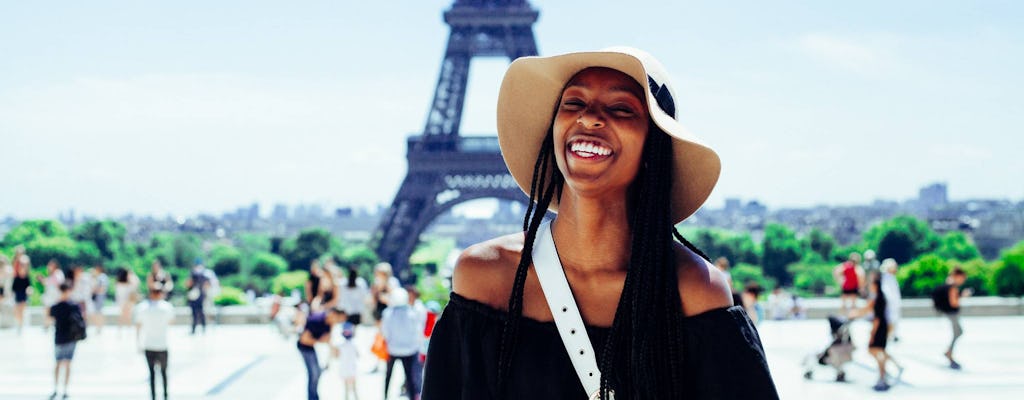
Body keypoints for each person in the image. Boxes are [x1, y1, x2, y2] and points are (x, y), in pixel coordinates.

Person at [421, 47, 778, 399]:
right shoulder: (484, 278)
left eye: (621, 108)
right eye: (573, 104)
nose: (589, 118)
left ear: (654, 147)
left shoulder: (696, 290)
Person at [849, 275, 903, 391]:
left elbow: (876, 317)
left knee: (876, 351)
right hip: (883, 326)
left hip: (880, 327)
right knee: (879, 351)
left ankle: (883, 375)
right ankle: (892, 369)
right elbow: (867, 309)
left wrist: (873, 333)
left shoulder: (878, 298)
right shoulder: (880, 297)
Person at [381, 288, 426, 400]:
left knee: (388, 375)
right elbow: (417, 331)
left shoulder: (388, 313)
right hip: (409, 350)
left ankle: (385, 396)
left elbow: (385, 332)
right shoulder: (412, 312)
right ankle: (412, 397)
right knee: (409, 377)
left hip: (392, 349)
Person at [296, 306, 347, 400]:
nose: (339, 322)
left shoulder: (330, 324)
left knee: (317, 373)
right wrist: (319, 341)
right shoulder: (317, 320)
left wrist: (333, 351)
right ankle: (312, 397)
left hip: (311, 347)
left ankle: (314, 396)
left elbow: (328, 339)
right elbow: (304, 339)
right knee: (314, 373)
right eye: (339, 319)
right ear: (334, 314)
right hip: (304, 347)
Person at [135, 288, 175, 400]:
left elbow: (138, 325)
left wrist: (138, 343)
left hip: (149, 344)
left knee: (152, 374)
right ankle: (166, 395)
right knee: (164, 373)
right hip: (162, 344)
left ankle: (153, 396)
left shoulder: (142, 308)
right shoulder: (167, 307)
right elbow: (171, 322)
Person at [49, 282, 86, 400]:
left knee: (59, 364)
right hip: (71, 338)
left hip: (60, 337)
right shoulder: (74, 306)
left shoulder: (56, 306)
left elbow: (49, 318)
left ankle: (57, 388)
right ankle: (64, 389)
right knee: (67, 364)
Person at [934, 267, 971, 369]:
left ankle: (949, 352)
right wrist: (962, 295)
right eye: (963, 278)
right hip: (952, 313)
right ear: (958, 276)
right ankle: (949, 352)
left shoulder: (948, 283)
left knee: (958, 332)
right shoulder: (952, 287)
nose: (963, 281)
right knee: (958, 332)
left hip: (949, 313)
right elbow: (954, 303)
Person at [333, 322, 360, 400]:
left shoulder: (341, 345)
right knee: (354, 389)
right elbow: (358, 355)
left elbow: (336, 356)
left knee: (346, 390)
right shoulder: (353, 345)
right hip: (352, 370)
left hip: (345, 370)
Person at [879, 258, 902, 341]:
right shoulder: (886, 277)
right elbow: (886, 292)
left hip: (894, 304)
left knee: (893, 320)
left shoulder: (891, 277)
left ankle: (892, 335)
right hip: (890, 304)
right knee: (890, 320)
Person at [185, 261, 211, 335]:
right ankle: (198, 328)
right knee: (197, 313)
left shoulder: (201, 275)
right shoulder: (196, 275)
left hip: (199, 297)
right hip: (196, 297)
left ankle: (200, 328)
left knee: (198, 313)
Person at [41, 259, 66, 331]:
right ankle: (47, 325)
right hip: (50, 297)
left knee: (51, 312)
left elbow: (58, 283)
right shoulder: (52, 274)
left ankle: (50, 325)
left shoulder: (58, 273)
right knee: (48, 312)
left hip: (55, 297)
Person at [115, 267, 141, 334]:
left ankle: (120, 330)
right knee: (128, 316)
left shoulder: (118, 283)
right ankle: (128, 330)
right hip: (128, 301)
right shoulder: (129, 284)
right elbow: (136, 285)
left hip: (121, 301)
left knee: (122, 316)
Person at [11, 254, 32, 334]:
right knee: (17, 312)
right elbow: (13, 288)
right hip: (17, 295)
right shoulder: (16, 277)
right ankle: (19, 324)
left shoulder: (27, 277)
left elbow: (29, 286)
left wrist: (29, 290)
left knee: (21, 311)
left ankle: (21, 326)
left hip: (23, 296)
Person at [90, 265, 110, 333]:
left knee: (99, 312)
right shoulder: (101, 276)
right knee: (98, 312)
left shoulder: (102, 276)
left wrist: (95, 291)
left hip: (99, 296)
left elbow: (102, 288)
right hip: (99, 296)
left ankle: (99, 327)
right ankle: (98, 327)